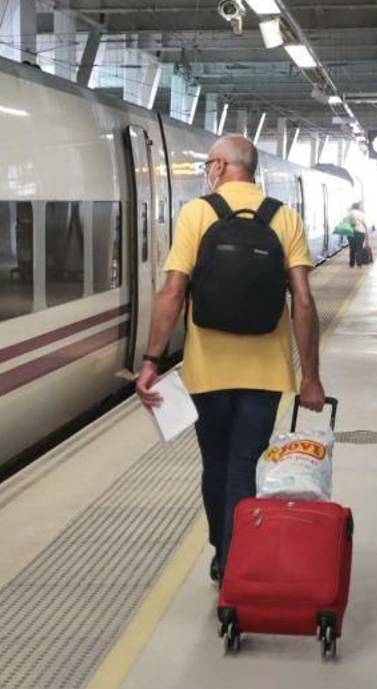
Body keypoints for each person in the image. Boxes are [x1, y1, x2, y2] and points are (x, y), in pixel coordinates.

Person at [135, 135, 326, 583]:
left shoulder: (197, 214)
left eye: (208, 164)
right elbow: (303, 300)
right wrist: (311, 377)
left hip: (207, 371)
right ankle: (235, 556)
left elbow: (173, 293)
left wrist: (151, 361)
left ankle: (226, 554)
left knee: (217, 464)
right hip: (267, 372)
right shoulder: (284, 217)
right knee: (246, 462)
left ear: (219, 167)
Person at [346, 201, 368, 267]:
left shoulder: (349, 213)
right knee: (359, 247)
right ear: (358, 207)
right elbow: (364, 223)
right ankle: (359, 263)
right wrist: (366, 231)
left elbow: (345, 221)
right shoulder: (361, 213)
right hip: (360, 231)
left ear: (352, 207)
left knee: (352, 248)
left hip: (350, 232)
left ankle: (351, 263)